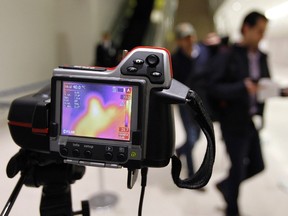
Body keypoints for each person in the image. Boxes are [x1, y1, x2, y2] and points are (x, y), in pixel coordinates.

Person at [209, 11, 270, 216]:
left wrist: (278, 90)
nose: (262, 35)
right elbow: (214, 88)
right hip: (232, 122)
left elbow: (264, 83)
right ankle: (232, 209)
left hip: (250, 120)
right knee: (238, 167)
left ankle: (226, 186)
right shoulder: (227, 55)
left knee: (258, 165)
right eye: (259, 31)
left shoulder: (261, 56)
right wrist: (242, 88)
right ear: (246, 28)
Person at [172, 22, 211, 178]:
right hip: (185, 104)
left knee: (199, 136)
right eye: (184, 38)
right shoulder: (175, 59)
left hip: (201, 102)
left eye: (190, 37)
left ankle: (181, 150)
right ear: (178, 41)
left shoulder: (204, 51)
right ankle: (192, 174)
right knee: (192, 137)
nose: (188, 41)